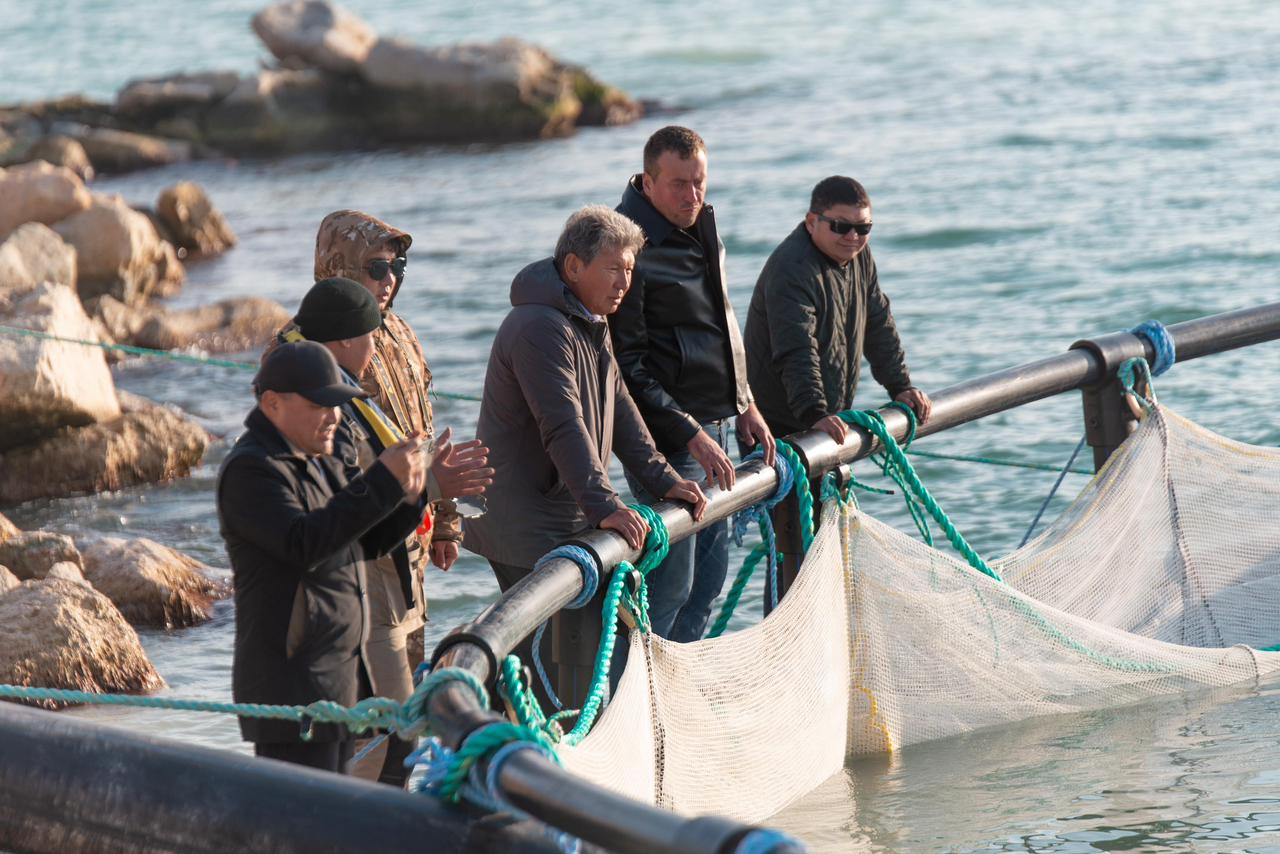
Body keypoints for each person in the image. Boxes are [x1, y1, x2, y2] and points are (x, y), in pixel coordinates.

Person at [464, 205, 708, 706]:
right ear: (574, 267)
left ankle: (532, 746)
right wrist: (606, 508)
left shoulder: (589, 320)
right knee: (549, 668)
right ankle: (515, 754)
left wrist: (663, 480)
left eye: (630, 270)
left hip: (565, 515)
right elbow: (563, 426)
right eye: (613, 268)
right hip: (525, 522)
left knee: (567, 658)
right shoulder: (539, 327)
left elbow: (619, 408)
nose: (624, 282)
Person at [288, 276, 492, 785]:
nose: (378, 347)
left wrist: (430, 485)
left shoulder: (345, 397)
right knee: (380, 745)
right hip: (357, 606)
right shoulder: (320, 414)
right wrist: (431, 488)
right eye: (371, 337)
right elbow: (350, 527)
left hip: (382, 596)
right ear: (341, 343)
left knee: (397, 742)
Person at [216, 340, 428, 773]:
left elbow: (364, 543)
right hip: (291, 686)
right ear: (272, 403)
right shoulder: (251, 470)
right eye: (321, 404)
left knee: (334, 815)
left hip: (338, 676)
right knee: (300, 824)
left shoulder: (319, 456)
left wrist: (414, 494)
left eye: (338, 404)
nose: (334, 416)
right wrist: (383, 483)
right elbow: (304, 544)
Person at [610, 125, 775, 644]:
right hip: (667, 441)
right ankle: (634, 701)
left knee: (708, 582)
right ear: (648, 180)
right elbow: (628, 367)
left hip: (716, 426)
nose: (692, 195)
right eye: (679, 184)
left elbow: (723, 323)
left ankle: (678, 694)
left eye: (699, 181)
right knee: (670, 587)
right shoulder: (627, 249)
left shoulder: (703, 225)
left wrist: (745, 401)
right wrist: (688, 434)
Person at [745, 176, 932, 443]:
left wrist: (900, 386)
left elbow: (877, 322)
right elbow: (796, 348)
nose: (853, 236)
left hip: (830, 418)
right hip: (779, 427)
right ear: (812, 222)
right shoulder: (792, 270)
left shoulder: (859, 255)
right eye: (841, 226)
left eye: (863, 227)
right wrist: (814, 413)